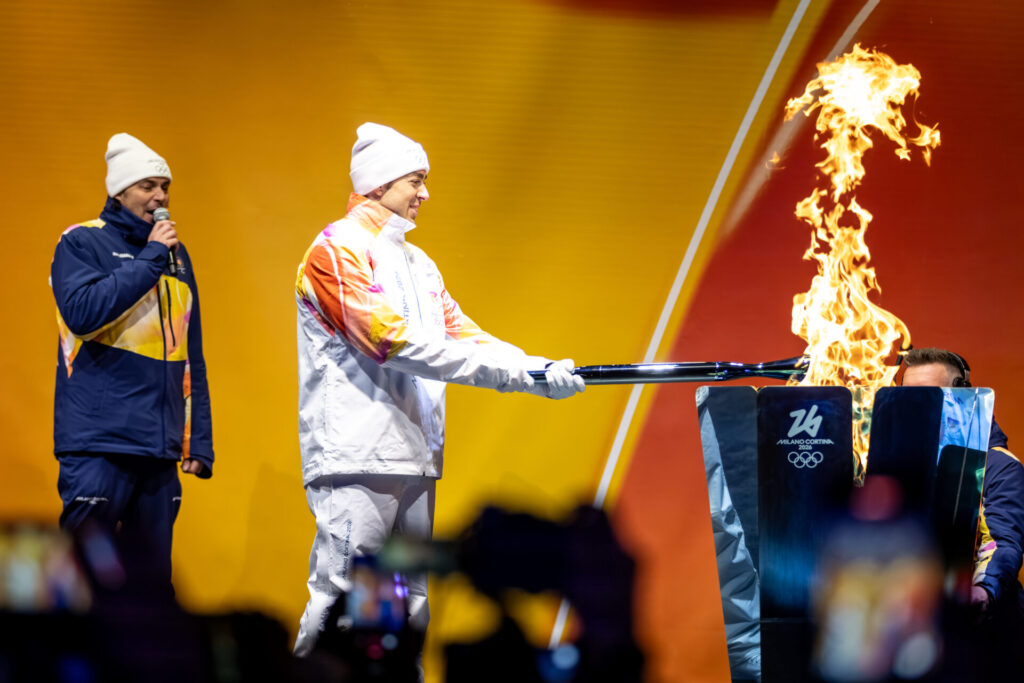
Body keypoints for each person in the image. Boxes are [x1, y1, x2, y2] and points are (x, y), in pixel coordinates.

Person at [293, 122, 585, 655]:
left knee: (406, 606)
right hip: (358, 456)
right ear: (380, 183)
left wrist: (537, 370)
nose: (425, 193)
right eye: (416, 180)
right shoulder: (335, 249)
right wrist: (516, 375)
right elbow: (391, 341)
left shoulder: (418, 263)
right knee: (346, 601)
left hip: (415, 455)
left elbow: (463, 335)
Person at [50, 133, 214, 591]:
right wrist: (151, 257)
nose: (160, 197)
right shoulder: (82, 242)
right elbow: (84, 315)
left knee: (152, 588)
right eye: (147, 186)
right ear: (119, 191)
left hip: (158, 448)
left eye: (165, 186)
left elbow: (189, 353)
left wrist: (197, 439)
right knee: (79, 580)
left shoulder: (177, 258)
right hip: (99, 443)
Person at [902, 347, 1024, 667]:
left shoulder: (998, 466)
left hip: (984, 638)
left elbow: (1002, 542)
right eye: (907, 397)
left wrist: (984, 590)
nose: (916, 408)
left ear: (963, 398)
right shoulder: (896, 460)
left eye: (930, 396)